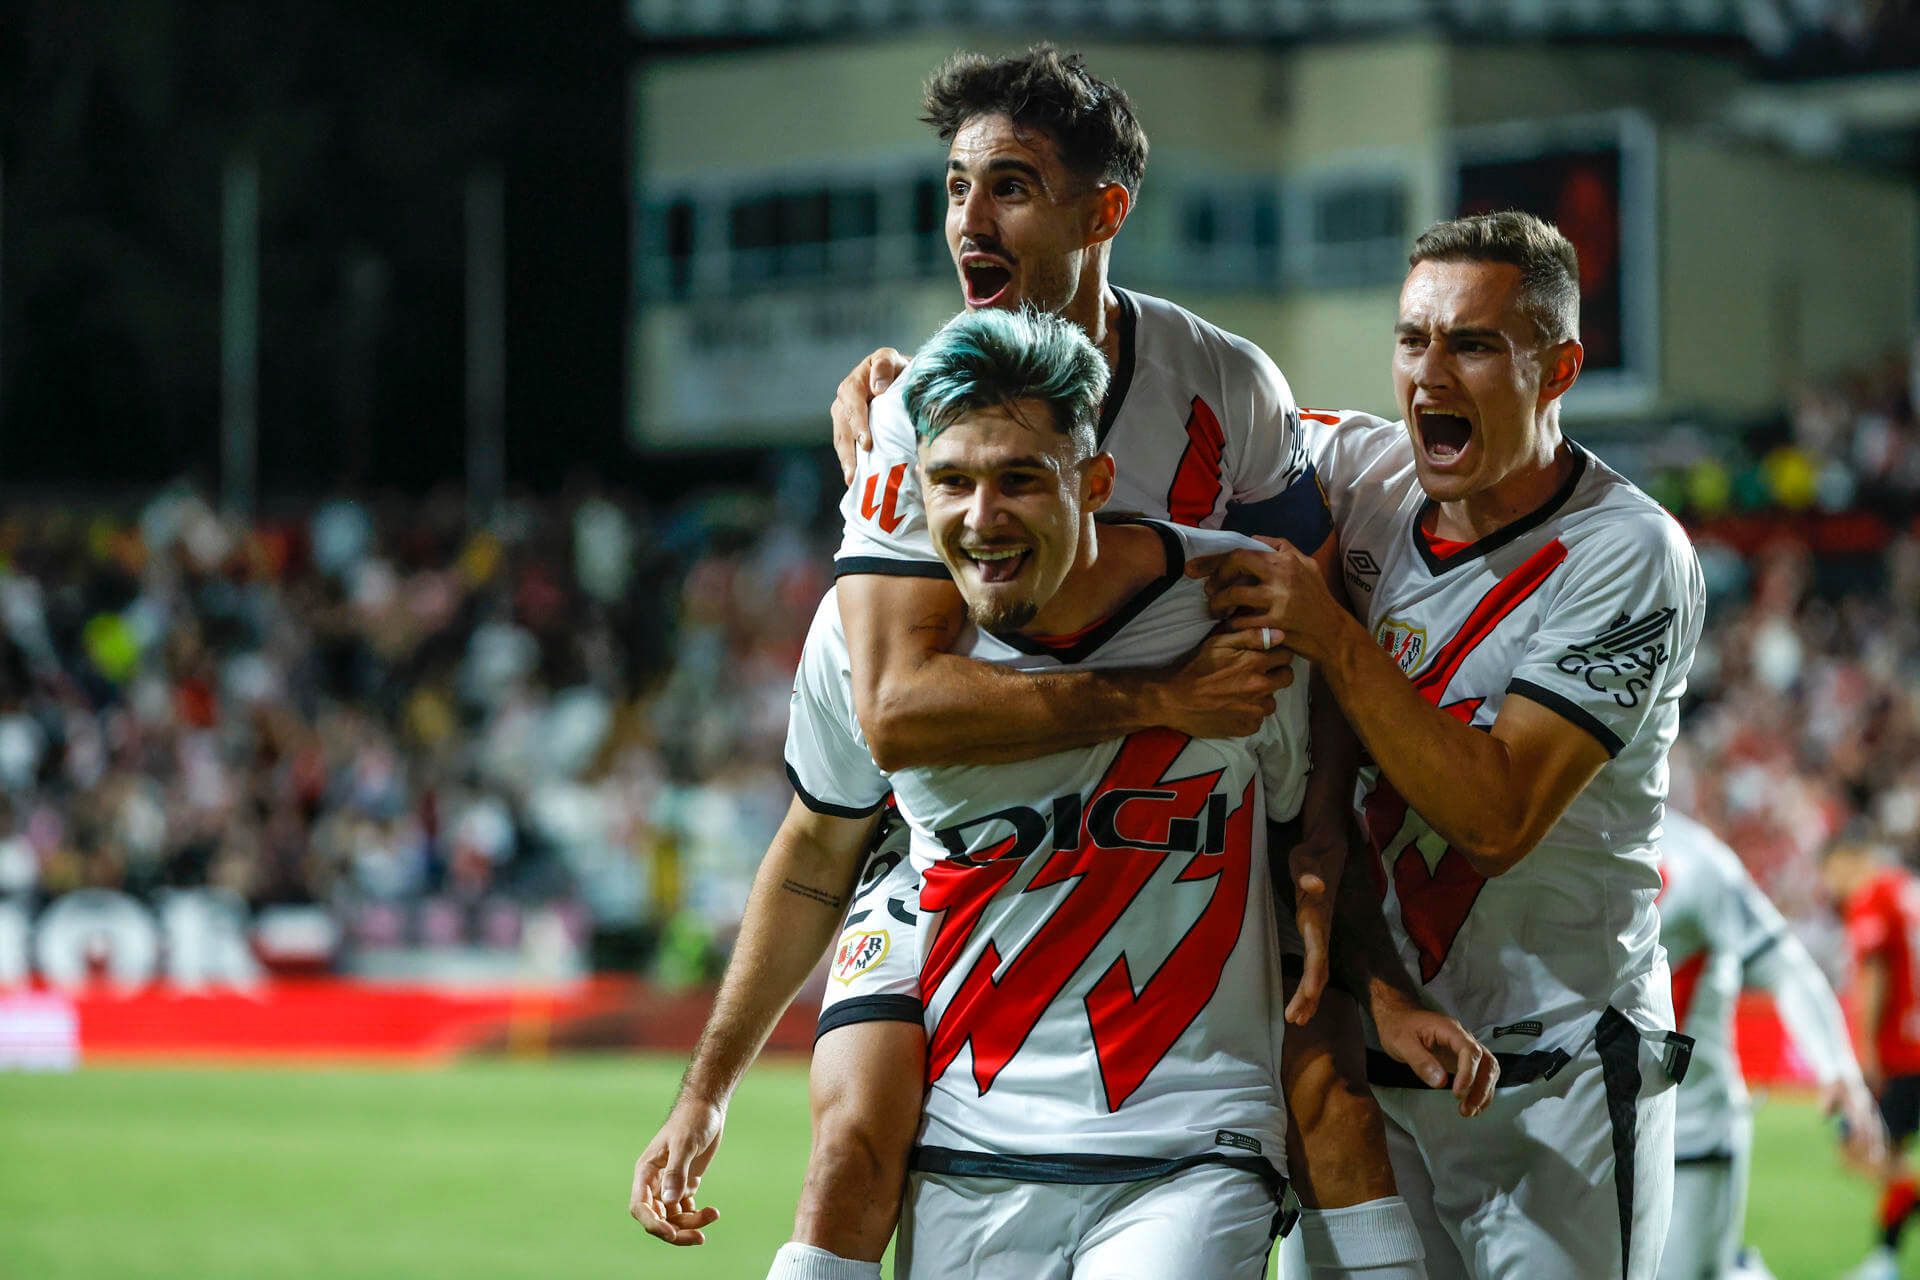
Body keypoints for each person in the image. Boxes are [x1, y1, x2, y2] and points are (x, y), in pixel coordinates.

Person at [634, 308, 1492, 1277]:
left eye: (1019, 480)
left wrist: (1381, 990)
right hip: (968, 1146)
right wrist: (704, 1092)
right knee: (840, 1161)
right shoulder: (858, 644)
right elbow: (812, 859)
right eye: (950, 481)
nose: (981, 516)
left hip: (1194, 1144)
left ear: (1095, 482)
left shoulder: (1237, 609)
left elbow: (1310, 841)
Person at [820, 45, 1428, 1279]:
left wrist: (1319, 831)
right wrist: (1159, 695)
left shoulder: (1227, 384)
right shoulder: (919, 404)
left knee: (1329, 1081)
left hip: (1178, 828)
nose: (968, 221)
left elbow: (1308, 623)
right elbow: (893, 708)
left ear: (1106, 212)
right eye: (955, 187)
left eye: (1009, 187)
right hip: (971, 834)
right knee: (852, 1139)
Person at [1189, 210, 1705, 1279]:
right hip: (1371, 1061)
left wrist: (1333, 633)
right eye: (1412, 339)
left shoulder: (1626, 551)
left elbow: (1495, 817)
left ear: (1557, 368)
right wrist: (907, 394)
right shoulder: (1361, 471)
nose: (1429, 373)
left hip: (1555, 1080)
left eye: (1472, 343)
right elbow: (1179, 403)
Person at [1656, 810, 1884, 1280]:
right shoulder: (1529, 844)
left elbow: (1784, 964)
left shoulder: (1696, 862)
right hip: (1572, 1132)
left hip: (1688, 1137)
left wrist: (1837, 1066)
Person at [1823, 837, 1920, 1280]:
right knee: (1892, 1153)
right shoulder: (1906, 890)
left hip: (1899, 1052)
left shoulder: (1873, 896)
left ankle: (1884, 1260)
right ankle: (1885, 1259)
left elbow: (1873, 973)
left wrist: (1865, 1052)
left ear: (1850, 860)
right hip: (1914, 1044)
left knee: (1856, 1150)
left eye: (1831, 872)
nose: (1831, 886)